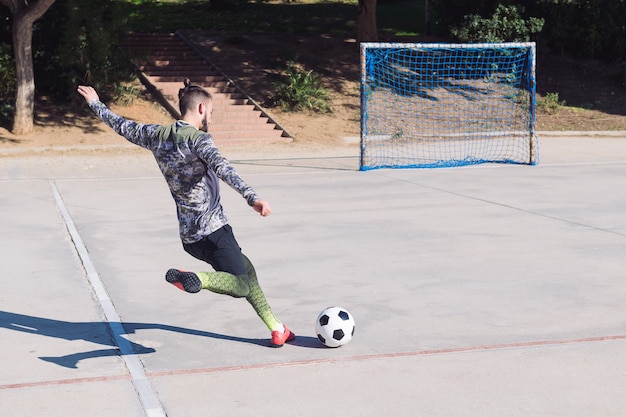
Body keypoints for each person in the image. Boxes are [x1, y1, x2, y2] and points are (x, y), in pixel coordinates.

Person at [77, 80, 295, 347]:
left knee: (246, 269)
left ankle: (277, 328)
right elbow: (224, 168)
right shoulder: (198, 140)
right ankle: (198, 280)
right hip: (214, 231)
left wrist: (95, 103)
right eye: (211, 113)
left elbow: (121, 125)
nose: (210, 118)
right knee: (241, 285)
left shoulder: (156, 135)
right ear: (201, 107)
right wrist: (253, 198)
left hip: (189, 238)